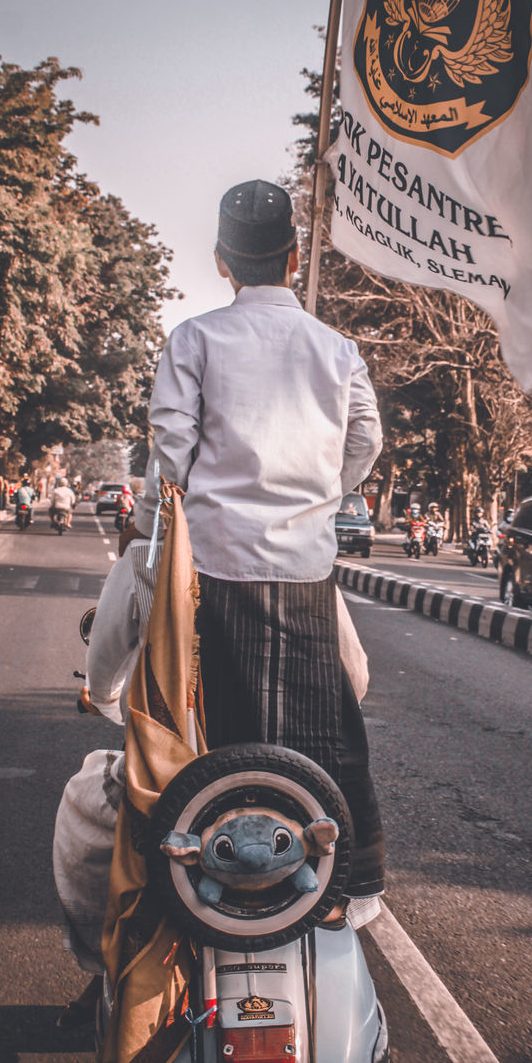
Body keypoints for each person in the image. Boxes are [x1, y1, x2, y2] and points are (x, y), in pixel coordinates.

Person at [121, 178, 385, 916]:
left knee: (208, 728)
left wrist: (188, 501)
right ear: (294, 259)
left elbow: (170, 447)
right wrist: (317, 492)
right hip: (305, 566)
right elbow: (366, 438)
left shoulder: (194, 338)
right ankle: (354, 885)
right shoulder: (337, 348)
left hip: (209, 566)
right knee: (322, 725)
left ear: (220, 261)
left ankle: (198, 881)